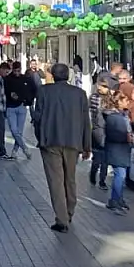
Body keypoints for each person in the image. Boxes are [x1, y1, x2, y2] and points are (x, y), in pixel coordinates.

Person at [32, 62, 92, 233]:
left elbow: (38, 116)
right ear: (68, 76)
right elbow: (85, 121)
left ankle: (61, 219)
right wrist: (87, 145)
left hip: (50, 141)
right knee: (70, 178)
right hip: (73, 141)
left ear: (52, 75)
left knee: (55, 181)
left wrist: (40, 136)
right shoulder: (79, 94)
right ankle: (69, 210)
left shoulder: (44, 91)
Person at [101, 93, 134, 213]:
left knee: (122, 175)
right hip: (116, 150)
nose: (128, 103)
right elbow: (112, 134)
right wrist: (126, 137)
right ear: (119, 102)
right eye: (125, 100)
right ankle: (114, 200)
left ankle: (118, 198)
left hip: (122, 149)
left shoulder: (123, 115)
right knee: (120, 175)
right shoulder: (113, 117)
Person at [3, 60, 36, 159]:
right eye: (15, 71)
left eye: (18, 71)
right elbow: (4, 91)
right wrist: (10, 95)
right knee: (14, 130)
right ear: (12, 70)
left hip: (22, 106)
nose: (17, 73)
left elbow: (34, 90)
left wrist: (28, 100)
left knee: (19, 132)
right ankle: (25, 148)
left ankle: (14, 151)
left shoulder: (26, 79)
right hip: (10, 107)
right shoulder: (7, 79)